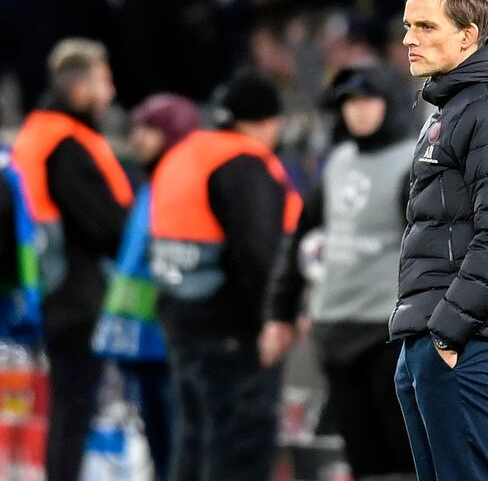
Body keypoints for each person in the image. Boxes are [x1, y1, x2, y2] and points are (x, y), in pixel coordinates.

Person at [389, 0, 488, 481]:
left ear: (468, 36)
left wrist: (448, 332)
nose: (409, 38)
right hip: (432, 332)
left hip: (464, 335)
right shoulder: (456, 107)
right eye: (408, 25)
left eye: (426, 26)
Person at [260, 65, 416, 479]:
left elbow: (437, 252)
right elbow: (301, 238)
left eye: (366, 101)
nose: (356, 112)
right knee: (361, 453)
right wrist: (280, 311)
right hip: (336, 326)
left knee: (403, 452)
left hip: (388, 328)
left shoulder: (414, 162)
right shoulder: (340, 162)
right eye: (348, 103)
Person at [149, 70, 301, 481]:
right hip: (232, 330)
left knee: (193, 441)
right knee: (238, 448)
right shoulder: (246, 164)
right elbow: (257, 255)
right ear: (267, 121)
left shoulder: (180, 156)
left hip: (181, 319)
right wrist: (274, 318)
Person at [11, 38, 132, 481]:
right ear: (78, 89)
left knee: (68, 402)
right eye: (104, 81)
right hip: (75, 294)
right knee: (74, 402)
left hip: (50, 288)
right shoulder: (68, 146)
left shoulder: (39, 135)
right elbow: (104, 224)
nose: (111, 93)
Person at [92, 93, 201, 480]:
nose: (137, 138)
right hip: (142, 343)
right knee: (159, 445)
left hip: (169, 341)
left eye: (149, 129)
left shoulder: (181, 185)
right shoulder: (151, 185)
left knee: (178, 444)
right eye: (136, 128)